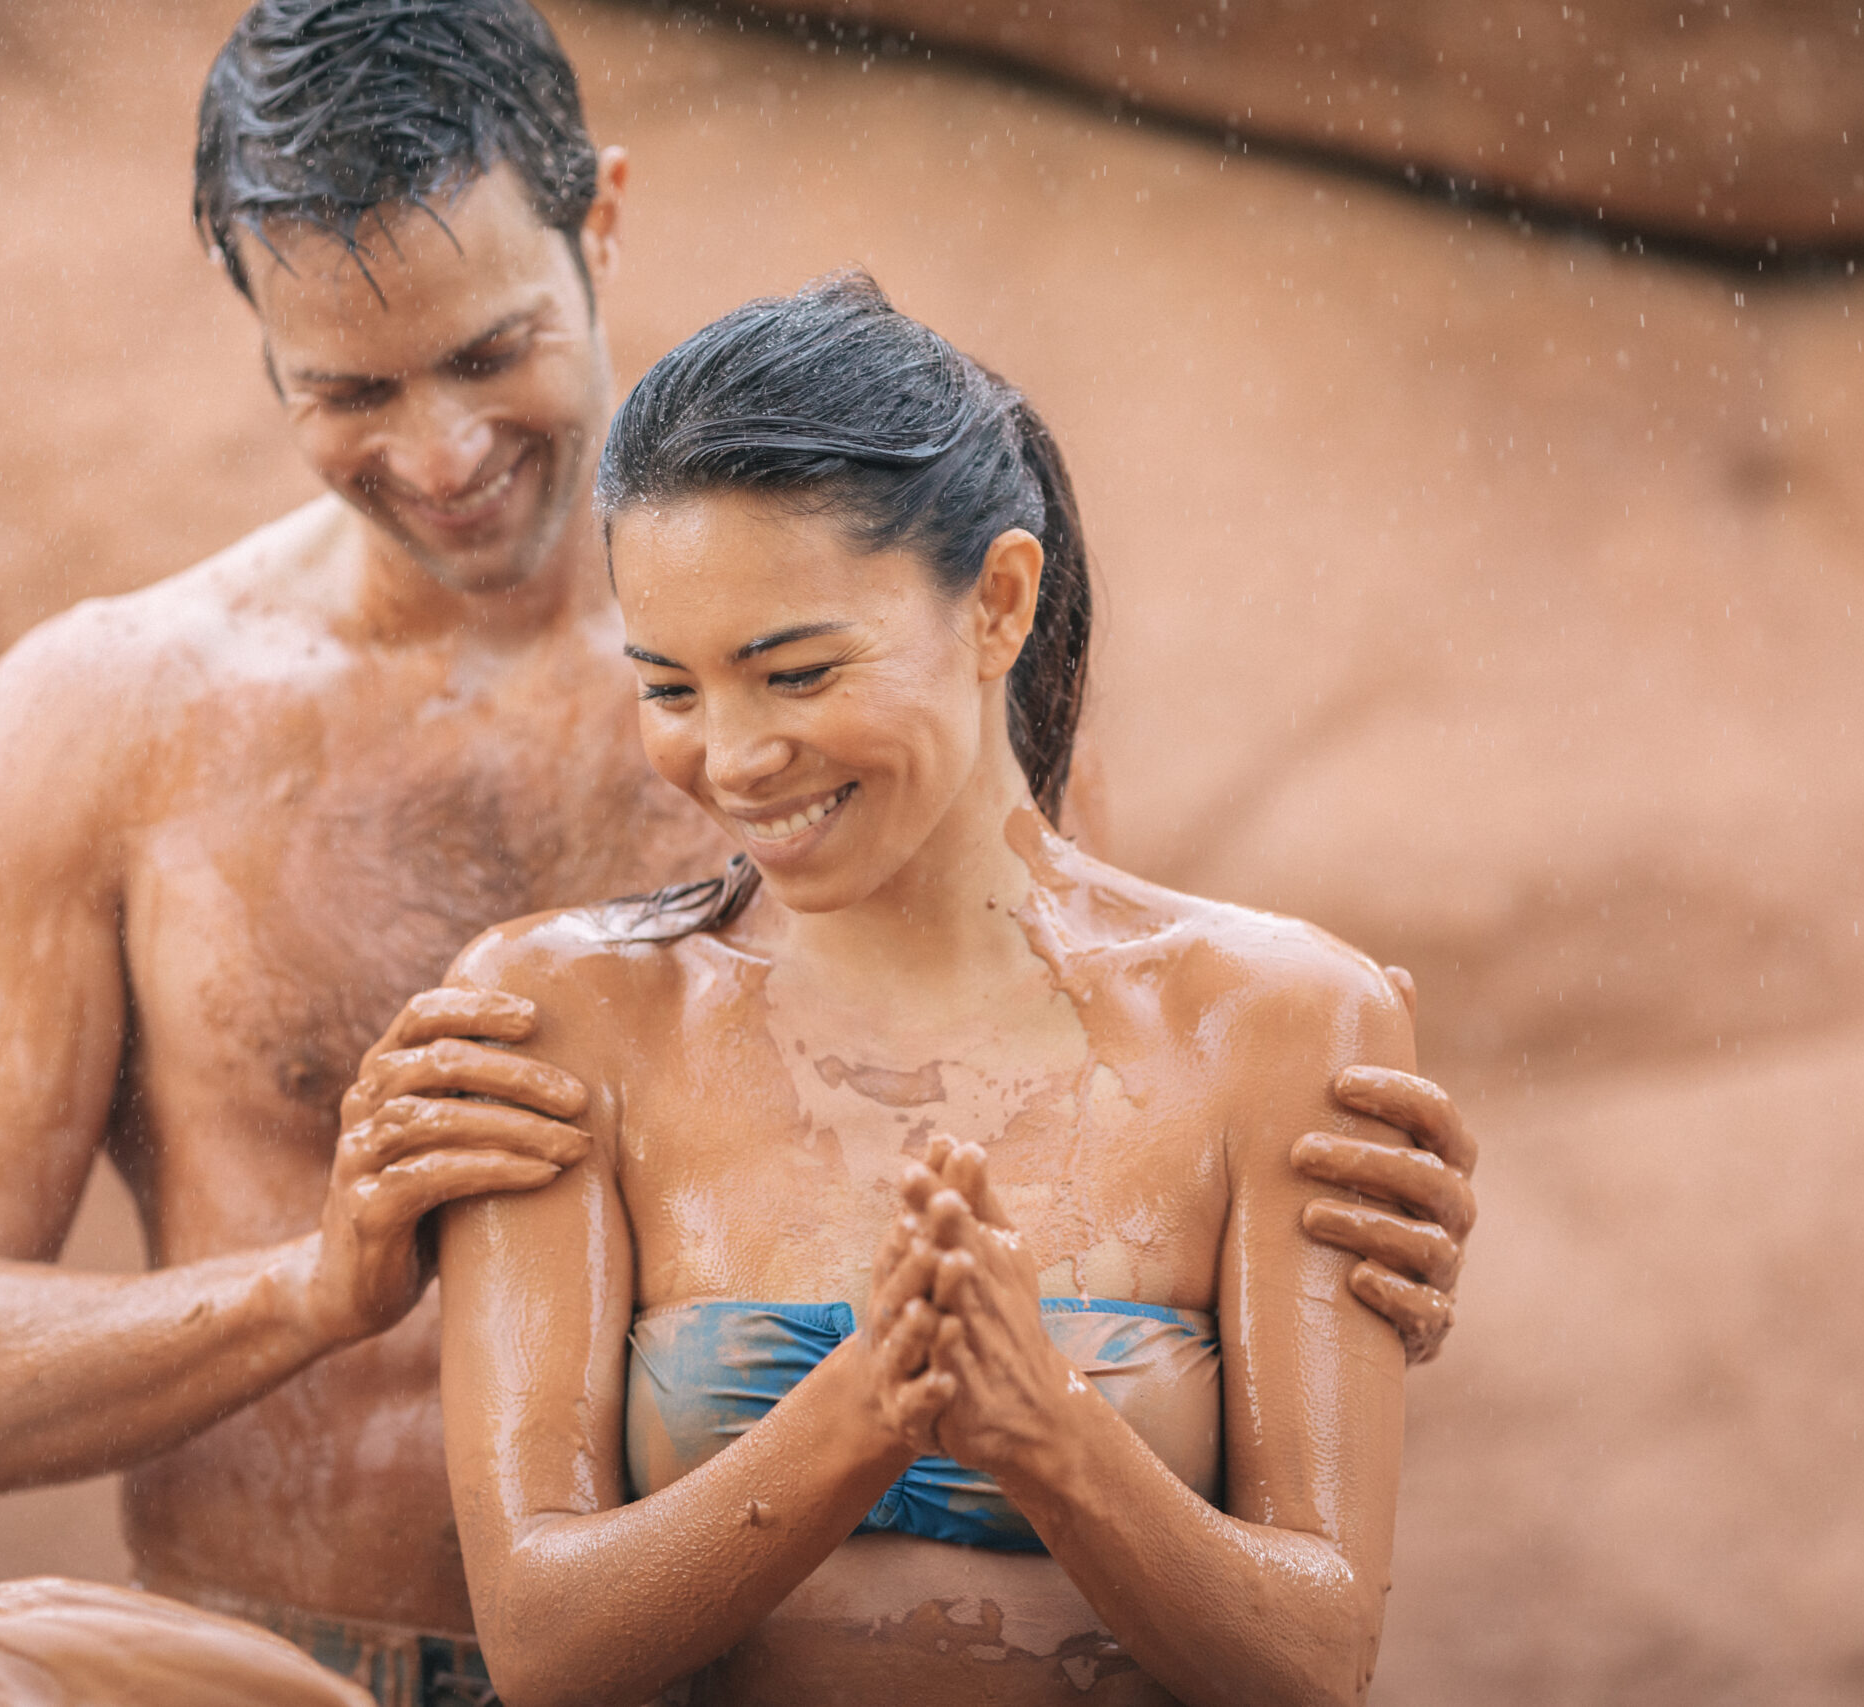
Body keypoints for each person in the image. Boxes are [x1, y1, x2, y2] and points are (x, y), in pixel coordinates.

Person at [0, 4, 1477, 1703]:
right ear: (259, 347)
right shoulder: (109, 723)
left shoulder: (883, 677)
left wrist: (1325, 1231)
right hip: (296, 1658)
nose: (441, 450)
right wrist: (314, 1292)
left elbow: (1092, 1135)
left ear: (600, 216)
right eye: (347, 390)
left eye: (488, 355)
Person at [436, 274, 1416, 1706]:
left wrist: (1048, 1434)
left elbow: (1315, 1662)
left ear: (997, 603)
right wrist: (862, 1412)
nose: (734, 754)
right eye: (671, 687)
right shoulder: (572, 1019)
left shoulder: (1272, 1023)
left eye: (795, 671)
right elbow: (543, 1645)